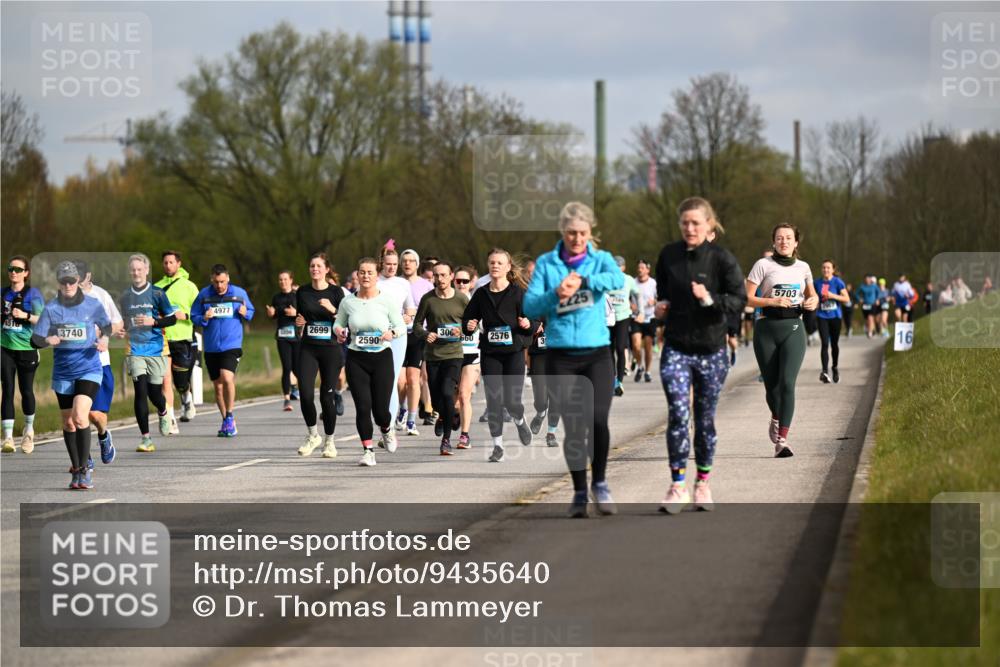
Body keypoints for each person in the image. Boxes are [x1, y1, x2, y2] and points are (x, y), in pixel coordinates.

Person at [525, 201, 624, 518]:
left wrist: (586, 281)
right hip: (561, 357)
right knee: (574, 426)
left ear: (590, 233)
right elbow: (529, 306)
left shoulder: (601, 259)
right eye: (571, 233)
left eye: (582, 233)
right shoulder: (547, 263)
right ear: (562, 232)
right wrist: (556, 293)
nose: (577, 239)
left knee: (597, 420)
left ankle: (601, 483)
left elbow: (617, 280)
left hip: (597, 354)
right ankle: (580, 491)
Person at [652, 198, 745, 514]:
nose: (690, 228)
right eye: (685, 223)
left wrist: (710, 299)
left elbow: (739, 300)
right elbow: (661, 294)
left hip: (711, 349)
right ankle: (677, 485)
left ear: (709, 225)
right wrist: (659, 308)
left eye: (696, 223)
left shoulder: (722, 259)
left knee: (704, 418)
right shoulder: (668, 256)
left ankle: (702, 482)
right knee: (678, 413)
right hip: (676, 347)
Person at [31, 261, 112, 490]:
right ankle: (76, 468)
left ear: (78, 281)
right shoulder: (52, 308)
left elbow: (106, 326)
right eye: (64, 281)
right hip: (63, 371)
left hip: (89, 368)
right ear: (59, 282)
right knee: (68, 422)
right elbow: (34, 339)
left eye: (72, 280)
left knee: (79, 416)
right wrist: (48, 340)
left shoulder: (92, 304)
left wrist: (104, 340)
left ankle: (85, 469)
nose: (68, 284)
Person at [745, 224, 819, 459]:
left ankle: (782, 441)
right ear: (774, 242)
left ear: (796, 242)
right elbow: (747, 299)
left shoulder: (803, 267)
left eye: (788, 238)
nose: (784, 241)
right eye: (779, 238)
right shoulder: (763, 265)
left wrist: (813, 301)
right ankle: (776, 416)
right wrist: (772, 302)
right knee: (772, 386)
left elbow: (812, 295)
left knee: (787, 383)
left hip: (794, 328)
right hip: (766, 329)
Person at [462, 249, 534, 462]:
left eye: (500, 263)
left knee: (512, 402)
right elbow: (467, 321)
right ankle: (497, 447)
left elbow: (534, 320)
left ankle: (520, 421)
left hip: (513, 353)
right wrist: (470, 325)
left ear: (508, 267)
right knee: (494, 400)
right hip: (490, 353)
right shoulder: (481, 293)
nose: (495, 266)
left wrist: (528, 324)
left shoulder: (519, 293)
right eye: (492, 262)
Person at [333, 257, 405, 467]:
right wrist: (338, 331)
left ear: (376, 275)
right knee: (363, 407)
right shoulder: (348, 302)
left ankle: (387, 429)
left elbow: (400, 327)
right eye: (362, 272)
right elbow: (338, 323)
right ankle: (368, 450)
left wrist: (392, 332)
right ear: (357, 274)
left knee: (381, 410)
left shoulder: (387, 300)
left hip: (381, 357)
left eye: (370, 272)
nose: (365, 276)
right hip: (356, 358)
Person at [116, 253, 178, 453]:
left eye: (139, 269)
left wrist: (155, 322)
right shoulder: (125, 296)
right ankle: (145, 438)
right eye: (133, 269)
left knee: (154, 393)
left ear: (147, 271)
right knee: (140, 392)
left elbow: (172, 319)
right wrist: (121, 329)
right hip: (134, 349)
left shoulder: (158, 294)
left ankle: (163, 410)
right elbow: (123, 321)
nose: (136, 272)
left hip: (156, 349)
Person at [191, 264, 255, 437]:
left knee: (227, 377)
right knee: (217, 387)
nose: (219, 285)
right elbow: (193, 315)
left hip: (231, 344)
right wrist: (203, 318)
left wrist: (245, 313)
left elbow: (250, 310)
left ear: (228, 278)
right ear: (212, 279)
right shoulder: (204, 294)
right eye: (216, 282)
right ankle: (227, 422)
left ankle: (229, 415)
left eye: (222, 281)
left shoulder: (239, 293)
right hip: (211, 346)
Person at [413, 261, 469, 456]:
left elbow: (473, 324)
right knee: (437, 400)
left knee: (447, 392)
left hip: (454, 354)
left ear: (451, 276)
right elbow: (417, 324)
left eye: (444, 275)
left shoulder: (461, 299)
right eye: (436, 275)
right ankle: (446, 415)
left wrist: (461, 329)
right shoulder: (428, 299)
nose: (440, 279)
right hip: (433, 355)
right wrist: (425, 334)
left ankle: (446, 440)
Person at [293, 253, 345, 459]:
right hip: (308, 347)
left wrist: (332, 309)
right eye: (312, 266)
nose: (315, 269)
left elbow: (344, 320)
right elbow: (300, 319)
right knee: (305, 393)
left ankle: (330, 442)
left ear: (326, 269)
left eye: (318, 266)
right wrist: (299, 326)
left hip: (330, 348)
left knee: (327, 396)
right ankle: (313, 435)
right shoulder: (303, 292)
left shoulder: (335, 291)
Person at [75, 261, 124, 467]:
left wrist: (101, 332)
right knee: (78, 414)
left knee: (95, 415)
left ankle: (103, 436)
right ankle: (84, 457)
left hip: (98, 363)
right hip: (73, 363)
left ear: (88, 276)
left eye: (78, 277)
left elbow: (118, 323)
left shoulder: (101, 295)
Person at [2, 255, 44, 454]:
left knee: (26, 390)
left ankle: (28, 430)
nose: (13, 272)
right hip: (4, 347)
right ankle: (8, 438)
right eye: (11, 268)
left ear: (26, 273)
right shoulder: (2, 293)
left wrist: (26, 315)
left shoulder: (33, 294)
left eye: (18, 269)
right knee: (7, 389)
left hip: (27, 348)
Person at [155, 250, 199, 431]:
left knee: (180, 381)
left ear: (179, 264)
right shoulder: (156, 288)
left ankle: (186, 397)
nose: (168, 265)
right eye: (165, 262)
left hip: (183, 338)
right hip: (163, 339)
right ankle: (170, 420)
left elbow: (199, 315)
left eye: (171, 262)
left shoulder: (190, 287)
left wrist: (185, 314)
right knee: (165, 380)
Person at [377, 244, 417, 432]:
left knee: (392, 379)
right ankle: (382, 418)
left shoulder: (403, 284)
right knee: (379, 381)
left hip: (398, 336)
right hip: (377, 336)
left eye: (395, 264)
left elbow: (411, 308)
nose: (392, 267)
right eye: (388, 264)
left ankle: (390, 425)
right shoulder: (375, 282)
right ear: (381, 264)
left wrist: (407, 316)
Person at [397, 248, 434, 435]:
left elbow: (434, 309)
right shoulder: (394, 283)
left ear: (417, 264)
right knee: (400, 382)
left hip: (418, 335)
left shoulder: (426, 285)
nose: (407, 263)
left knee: (414, 379)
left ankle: (411, 419)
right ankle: (402, 408)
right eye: (404, 260)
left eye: (411, 260)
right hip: (398, 334)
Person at [454, 265, 481, 450]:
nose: (462, 284)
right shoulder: (447, 302)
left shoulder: (479, 302)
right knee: (449, 397)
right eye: (458, 281)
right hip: (450, 354)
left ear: (471, 283)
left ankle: (464, 435)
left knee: (464, 395)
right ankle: (448, 414)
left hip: (471, 353)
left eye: (465, 281)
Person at [265, 270, 299, 412]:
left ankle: (296, 388)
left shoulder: (298, 296)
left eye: (285, 279)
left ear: (291, 280)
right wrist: (271, 314)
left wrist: (295, 313)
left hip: (297, 337)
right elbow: (274, 314)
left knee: (297, 368)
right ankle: (286, 399)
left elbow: (307, 313)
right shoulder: (276, 298)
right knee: (286, 367)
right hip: (282, 336)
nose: (283, 282)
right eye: (280, 280)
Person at [606, 255, 638, 395]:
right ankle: (613, 379)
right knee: (609, 349)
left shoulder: (629, 280)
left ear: (623, 267)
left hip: (623, 317)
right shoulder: (606, 279)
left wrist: (639, 309)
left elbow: (638, 294)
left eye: (619, 266)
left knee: (620, 347)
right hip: (608, 318)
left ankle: (619, 381)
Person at [814, 260, 850, 384]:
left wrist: (832, 295)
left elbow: (846, 299)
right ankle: (824, 371)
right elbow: (813, 298)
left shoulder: (838, 282)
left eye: (828, 268)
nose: (825, 270)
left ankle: (834, 367)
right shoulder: (817, 283)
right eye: (823, 267)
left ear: (833, 270)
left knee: (834, 344)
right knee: (824, 343)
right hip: (822, 316)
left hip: (835, 317)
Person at [633, 260, 657, 383]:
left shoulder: (653, 283)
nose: (640, 270)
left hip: (650, 317)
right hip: (636, 317)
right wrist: (632, 305)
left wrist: (654, 302)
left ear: (648, 270)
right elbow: (627, 297)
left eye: (642, 267)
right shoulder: (633, 282)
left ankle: (647, 371)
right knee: (636, 344)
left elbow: (659, 298)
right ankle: (639, 366)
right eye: (639, 267)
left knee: (648, 346)